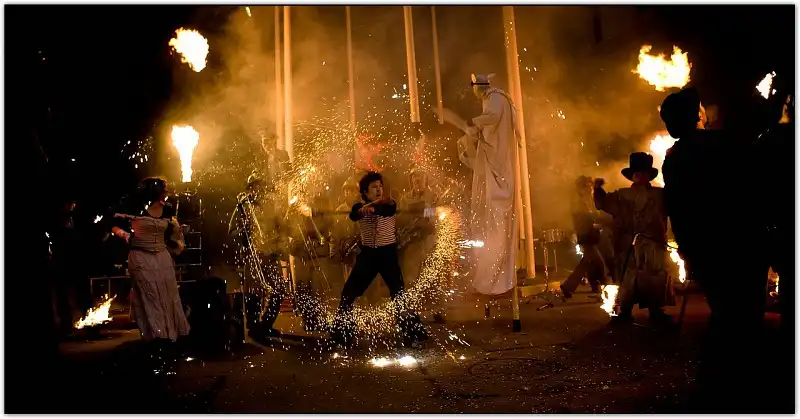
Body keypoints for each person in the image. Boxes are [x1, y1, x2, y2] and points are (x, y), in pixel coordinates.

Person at [660, 88, 772, 411]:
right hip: (742, 243)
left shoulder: (674, 159)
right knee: (744, 316)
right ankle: (737, 389)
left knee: (726, 313)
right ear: (694, 116)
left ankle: (720, 383)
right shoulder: (720, 144)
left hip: (708, 249)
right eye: (698, 109)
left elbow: (677, 211)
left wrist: (688, 250)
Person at [331, 171, 427, 348]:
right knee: (348, 294)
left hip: (387, 254)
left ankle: (413, 335)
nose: (378, 190)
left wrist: (372, 208)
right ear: (365, 192)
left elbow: (386, 211)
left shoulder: (389, 203)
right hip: (368, 255)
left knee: (399, 295)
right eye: (374, 187)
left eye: (380, 186)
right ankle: (341, 336)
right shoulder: (358, 205)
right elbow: (353, 215)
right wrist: (362, 210)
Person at [110, 177, 190, 368]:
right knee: (151, 296)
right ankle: (156, 338)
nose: (167, 192)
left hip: (162, 257)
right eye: (164, 189)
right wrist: (124, 235)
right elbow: (111, 223)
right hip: (141, 257)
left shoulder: (168, 209)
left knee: (168, 295)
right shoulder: (134, 207)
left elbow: (172, 234)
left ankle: (171, 337)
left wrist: (177, 235)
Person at [594, 153, 675, 325]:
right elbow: (604, 203)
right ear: (632, 175)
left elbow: (676, 205)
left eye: (643, 172)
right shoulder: (622, 195)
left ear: (648, 175)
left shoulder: (660, 195)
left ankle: (656, 311)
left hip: (653, 244)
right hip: (628, 245)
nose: (639, 176)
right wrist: (598, 190)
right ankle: (625, 311)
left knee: (654, 277)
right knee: (628, 278)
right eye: (636, 172)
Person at [463, 73, 520, 296]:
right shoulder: (497, 99)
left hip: (498, 173)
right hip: (496, 168)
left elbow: (492, 117)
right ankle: (489, 279)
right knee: (491, 227)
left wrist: (474, 123)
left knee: (495, 228)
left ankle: (493, 280)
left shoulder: (494, 99)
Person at [228, 172, 290, 338]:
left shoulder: (271, 204)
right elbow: (232, 231)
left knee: (279, 290)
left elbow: (282, 227)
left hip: (271, 253)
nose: (259, 189)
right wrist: (244, 230)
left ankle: (266, 324)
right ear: (250, 188)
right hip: (253, 255)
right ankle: (254, 328)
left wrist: (281, 244)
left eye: (261, 186)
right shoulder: (242, 206)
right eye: (255, 186)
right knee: (254, 294)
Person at [560, 176, 608, 299]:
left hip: (588, 235)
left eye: (590, 186)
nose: (590, 188)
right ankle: (604, 288)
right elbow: (582, 218)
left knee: (588, 263)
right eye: (587, 186)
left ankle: (574, 287)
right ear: (581, 187)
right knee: (598, 263)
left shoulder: (584, 199)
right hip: (586, 236)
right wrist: (594, 223)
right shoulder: (579, 201)